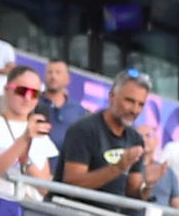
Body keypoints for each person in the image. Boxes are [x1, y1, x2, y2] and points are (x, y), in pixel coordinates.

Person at [56, 70, 164, 203]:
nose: (135, 110)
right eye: (129, 101)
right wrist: (118, 168)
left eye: (141, 104)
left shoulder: (136, 140)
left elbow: (132, 193)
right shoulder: (84, 130)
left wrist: (148, 185)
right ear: (112, 96)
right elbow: (72, 186)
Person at [0, 65, 56, 196]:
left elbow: (44, 188)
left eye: (34, 93)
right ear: (7, 90)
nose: (27, 98)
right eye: (21, 91)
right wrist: (24, 140)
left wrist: (25, 161)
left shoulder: (40, 132)